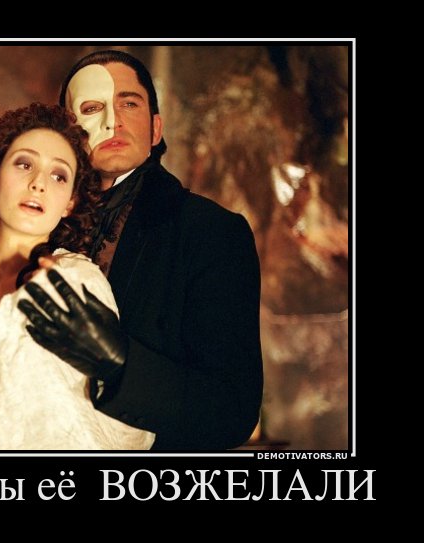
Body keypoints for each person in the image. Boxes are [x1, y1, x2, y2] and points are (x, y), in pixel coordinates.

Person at [18, 50, 264, 450]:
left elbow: (232, 411)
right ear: (66, 133)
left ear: (155, 128)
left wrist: (119, 363)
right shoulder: (34, 224)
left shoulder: (212, 232)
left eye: (128, 104)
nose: (112, 121)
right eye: (92, 107)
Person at [0, 102, 154, 450]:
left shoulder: (70, 279)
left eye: (58, 176)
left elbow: (118, 433)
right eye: (24, 164)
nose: (39, 183)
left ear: (69, 203)